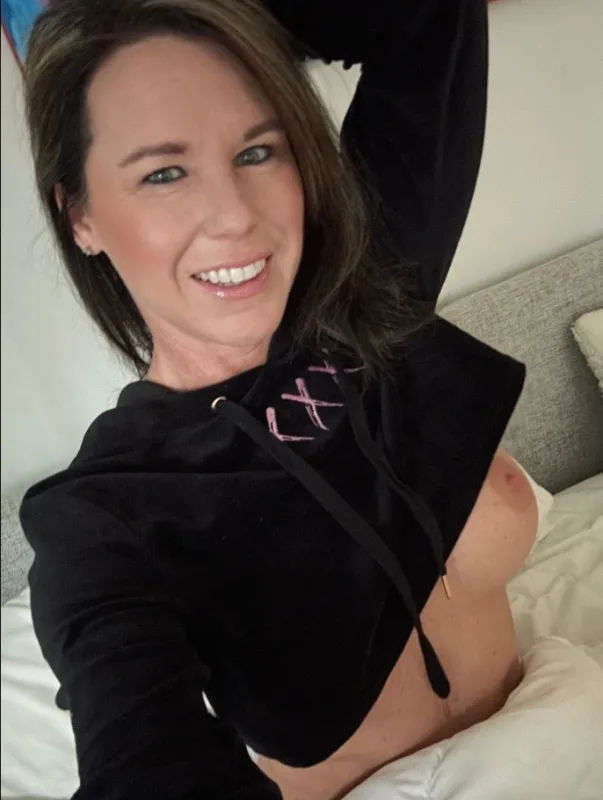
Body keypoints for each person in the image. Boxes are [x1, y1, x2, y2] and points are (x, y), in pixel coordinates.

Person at [19, 1, 538, 798]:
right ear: (80, 216)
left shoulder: (370, 295)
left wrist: (230, 16)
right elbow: (143, 749)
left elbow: (428, 17)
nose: (235, 216)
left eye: (258, 150)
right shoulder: (103, 517)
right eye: (163, 172)